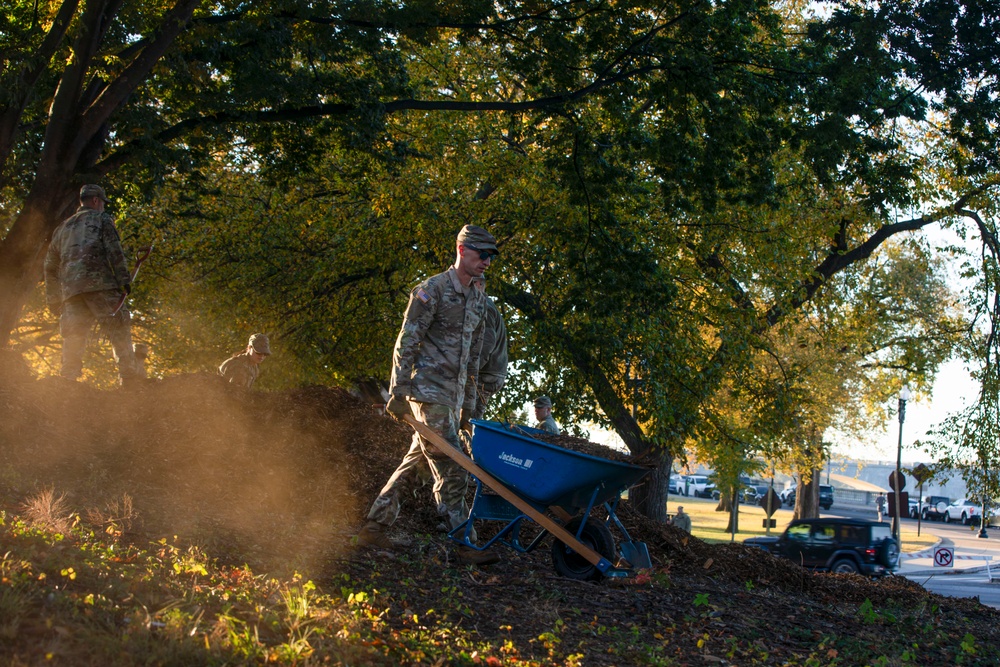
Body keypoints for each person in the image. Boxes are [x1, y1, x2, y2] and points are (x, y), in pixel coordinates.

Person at [358, 224, 500, 566]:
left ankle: (374, 527)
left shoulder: (479, 300)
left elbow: (474, 358)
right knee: (454, 466)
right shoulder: (431, 290)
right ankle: (465, 543)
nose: (486, 262)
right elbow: (407, 341)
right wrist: (398, 391)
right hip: (427, 392)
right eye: (482, 254)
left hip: (453, 398)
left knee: (418, 464)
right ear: (461, 250)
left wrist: (469, 407)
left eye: (491, 257)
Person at [44, 184, 139, 384]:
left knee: (73, 335)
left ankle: (68, 380)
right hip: (101, 286)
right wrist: (124, 279)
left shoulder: (62, 228)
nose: (104, 206)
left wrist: (53, 298)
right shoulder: (102, 219)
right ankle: (129, 379)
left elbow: (50, 266)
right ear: (96, 200)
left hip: (71, 292)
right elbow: (114, 250)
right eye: (103, 202)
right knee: (118, 327)